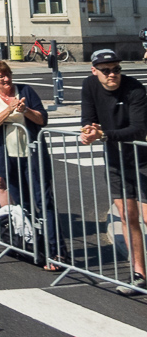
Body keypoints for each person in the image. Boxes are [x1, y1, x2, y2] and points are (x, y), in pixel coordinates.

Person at [0, 60, 63, 269]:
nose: (6, 79)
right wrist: (9, 109)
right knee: (23, 204)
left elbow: (42, 119)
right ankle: (34, 249)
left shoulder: (26, 91)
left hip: (32, 155)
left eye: (7, 74)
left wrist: (25, 110)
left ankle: (55, 252)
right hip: (7, 156)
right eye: (1, 77)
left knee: (43, 201)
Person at [79, 49, 147, 291]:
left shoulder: (135, 89)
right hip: (116, 160)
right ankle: (139, 274)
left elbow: (139, 129)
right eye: (106, 70)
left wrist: (104, 134)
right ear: (94, 70)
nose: (112, 74)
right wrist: (87, 131)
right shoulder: (89, 85)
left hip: (143, 159)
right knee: (128, 217)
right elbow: (88, 116)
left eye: (116, 69)